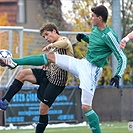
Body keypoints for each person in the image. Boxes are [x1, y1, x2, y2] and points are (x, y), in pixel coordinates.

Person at [0, 5, 127, 133]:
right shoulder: (95, 28)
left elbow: (122, 57)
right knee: (50, 57)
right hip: (82, 63)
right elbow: (96, 45)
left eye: (93, 16)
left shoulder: (109, 35)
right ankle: (14, 62)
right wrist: (84, 38)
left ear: (100, 18)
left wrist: (118, 75)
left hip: (92, 70)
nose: (90, 18)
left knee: (85, 107)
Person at [0, 22, 74, 133]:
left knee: (43, 109)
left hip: (57, 82)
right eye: (44, 36)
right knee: (22, 74)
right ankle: (4, 102)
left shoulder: (63, 40)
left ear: (54, 31)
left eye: (47, 34)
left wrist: (51, 46)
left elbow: (65, 42)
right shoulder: (54, 47)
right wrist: (48, 64)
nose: (46, 38)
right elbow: (54, 59)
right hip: (47, 74)